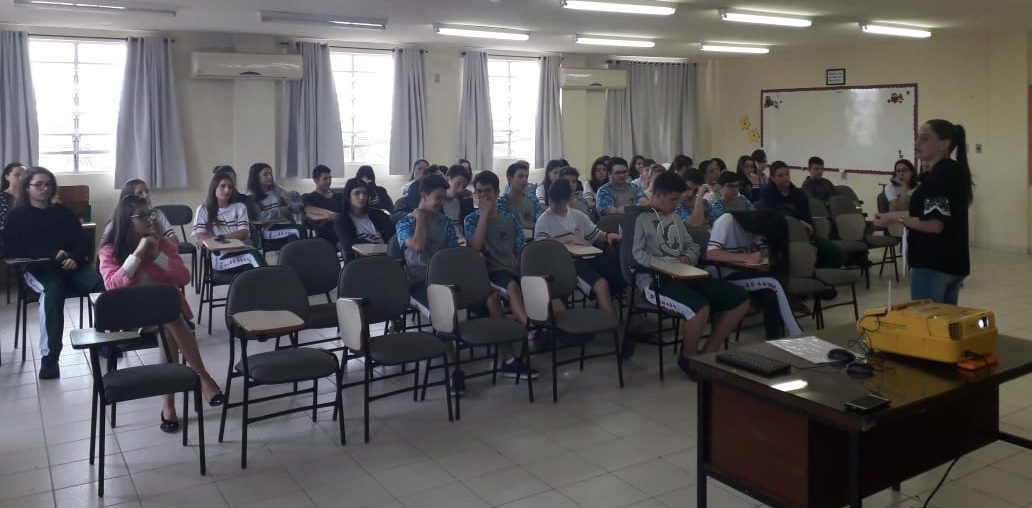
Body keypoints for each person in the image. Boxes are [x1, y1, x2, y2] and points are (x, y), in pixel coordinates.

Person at [98, 195, 224, 431]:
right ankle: (203, 378)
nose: (149, 219)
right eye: (142, 216)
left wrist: (157, 256)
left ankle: (169, 407)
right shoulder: (109, 250)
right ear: (126, 220)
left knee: (168, 325)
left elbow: (184, 277)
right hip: (129, 318)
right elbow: (112, 286)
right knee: (171, 319)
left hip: (163, 315)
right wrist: (138, 254)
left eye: (150, 214)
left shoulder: (162, 244)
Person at [630, 172, 750, 373]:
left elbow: (692, 246)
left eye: (679, 199)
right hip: (655, 280)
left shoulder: (674, 218)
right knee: (698, 308)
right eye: (673, 199)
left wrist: (686, 258)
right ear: (658, 195)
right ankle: (689, 358)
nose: (677, 204)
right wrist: (667, 264)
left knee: (740, 299)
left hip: (685, 274)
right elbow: (636, 256)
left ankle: (708, 353)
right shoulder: (637, 218)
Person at [3, 167, 105, 379]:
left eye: (48, 184)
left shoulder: (63, 212)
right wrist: (51, 253)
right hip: (39, 270)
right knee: (53, 291)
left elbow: (83, 241)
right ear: (27, 187)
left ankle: (105, 339)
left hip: (71, 266)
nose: (44, 189)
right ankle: (50, 357)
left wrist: (74, 258)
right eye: (38, 184)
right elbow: (13, 249)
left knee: (99, 284)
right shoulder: (16, 215)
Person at [874, 119, 973, 304]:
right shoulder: (952, 171)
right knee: (944, 319)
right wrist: (891, 216)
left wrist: (897, 220)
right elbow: (928, 215)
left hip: (934, 262)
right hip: (952, 261)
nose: (917, 143)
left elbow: (934, 224)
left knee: (927, 319)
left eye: (925, 139)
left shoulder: (940, 176)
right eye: (917, 138)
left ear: (944, 144)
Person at [462, 170, 538, 379]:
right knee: (509, 289)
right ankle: (530, 328)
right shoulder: (471, 219)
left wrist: (522, 268)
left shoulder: (509, 218)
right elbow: (476, 247)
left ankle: (515, 355)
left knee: (534, 284)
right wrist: (484, 215)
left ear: (497, 193)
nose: (483, 196)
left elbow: (520, 248)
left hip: (512, 270)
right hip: (490, 273)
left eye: (487, 191)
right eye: (479, 192)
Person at [535, 179, 625, 340]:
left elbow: (596, 234)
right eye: (551, 201)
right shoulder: (544, 220)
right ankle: (615, 331)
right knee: (601, 285)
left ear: (567, 200)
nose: (553, 206)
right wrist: (567, 239)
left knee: (620, 274)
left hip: (589, 257)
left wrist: (608, 235)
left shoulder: (578, 216)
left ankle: (614, 318)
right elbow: (541, 246)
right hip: (568, 264)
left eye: (558, 202)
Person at [705, 210, 802, 340]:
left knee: (771, 293)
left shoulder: (754, 232)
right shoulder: (727, 220)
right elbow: (711, 254)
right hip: (723, 274)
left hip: (746, 273)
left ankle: (774, 339)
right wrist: (746, 257)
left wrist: (764, 254)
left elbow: (759, 256)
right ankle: (797, 334)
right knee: (774, 283)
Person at [762, 161, 846, 269]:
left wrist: (808, 231)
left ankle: (816, 271)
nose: (785, 178)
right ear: (773, 178)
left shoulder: (798, 194)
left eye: (787, 174)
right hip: (781, 237)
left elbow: (807, 217)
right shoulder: (767, 194)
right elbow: (772, 216)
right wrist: (797, 222)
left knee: (838, 255)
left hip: (804, 234)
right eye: (780, 175)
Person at [395, 174, 458, 311]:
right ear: (424, 196)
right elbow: (418, 246)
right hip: (418, 281)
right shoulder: (405, 223)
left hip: (442, 277)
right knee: (441, 310)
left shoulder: (445, 222)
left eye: (444, 198)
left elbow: (453, 253)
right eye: (438, 198)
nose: (442, 202)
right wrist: (420, 220)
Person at [192, 172, 265, 273]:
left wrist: (219, 238)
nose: (227, 190)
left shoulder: (240, 207)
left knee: (251, 266)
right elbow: (202, 238)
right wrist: (233, 238)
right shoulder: (203, 209)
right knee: (252, 256)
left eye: (230, 187)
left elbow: (244, 234)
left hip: (243, 250)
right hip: (220, 257)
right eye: (222, 186)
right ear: (214, 188)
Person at [334, 178, 395, 260]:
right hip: (361, 262)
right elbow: (348, 244)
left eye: (365, 193)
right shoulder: (342, 220)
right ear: (348, 197)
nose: (362, 197)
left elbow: (393, 237)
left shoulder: (379, 215)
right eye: (357, 193)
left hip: (387, 258)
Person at [246, 162, 304, 244]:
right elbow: (259, 217)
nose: (270, 177)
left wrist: (294, 198)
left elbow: (297, 210)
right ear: (256, 177)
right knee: (299, 230)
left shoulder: (276, 190)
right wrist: (280, 212)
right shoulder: (251, 197)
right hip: (268, 229)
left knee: (299, 231)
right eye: (265, 175)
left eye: (270, 174)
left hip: (286, 224)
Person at [103, 179, 178, 242]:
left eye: (147, 191)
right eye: (140, 193)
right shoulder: (115, 222)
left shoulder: (157, 214)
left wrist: (170, 238)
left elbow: (173, 239)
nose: (146, 195)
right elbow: (105, 248)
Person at [302, 165, 345, 246]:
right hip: (323, 237)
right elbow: (308, 213)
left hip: (341, 232)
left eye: (330, 178)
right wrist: (330, 215)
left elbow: (344, 216)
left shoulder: (339, 196)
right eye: (325, 179)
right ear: (315, 180)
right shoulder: (309, 197)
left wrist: (329, 217)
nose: (329, 181)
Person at [497, 162, 542, 229]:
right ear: (510, 178)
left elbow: (541, 223)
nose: (524, 180)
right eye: (520, 176)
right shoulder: (501, 203)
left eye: (526, 176)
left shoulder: (533, 200)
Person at [442, 165, 475, 242]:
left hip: (463, 243)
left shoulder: (462, 203)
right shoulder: (437, 203)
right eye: (457, 184)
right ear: (447, 180)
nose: (460, 189)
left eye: (463, 187)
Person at [1, 162, 28, 239]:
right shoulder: (1, 198)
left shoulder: (32, 197)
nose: (22, 178)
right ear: (7, 177)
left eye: (25, 175)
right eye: (17, 175)